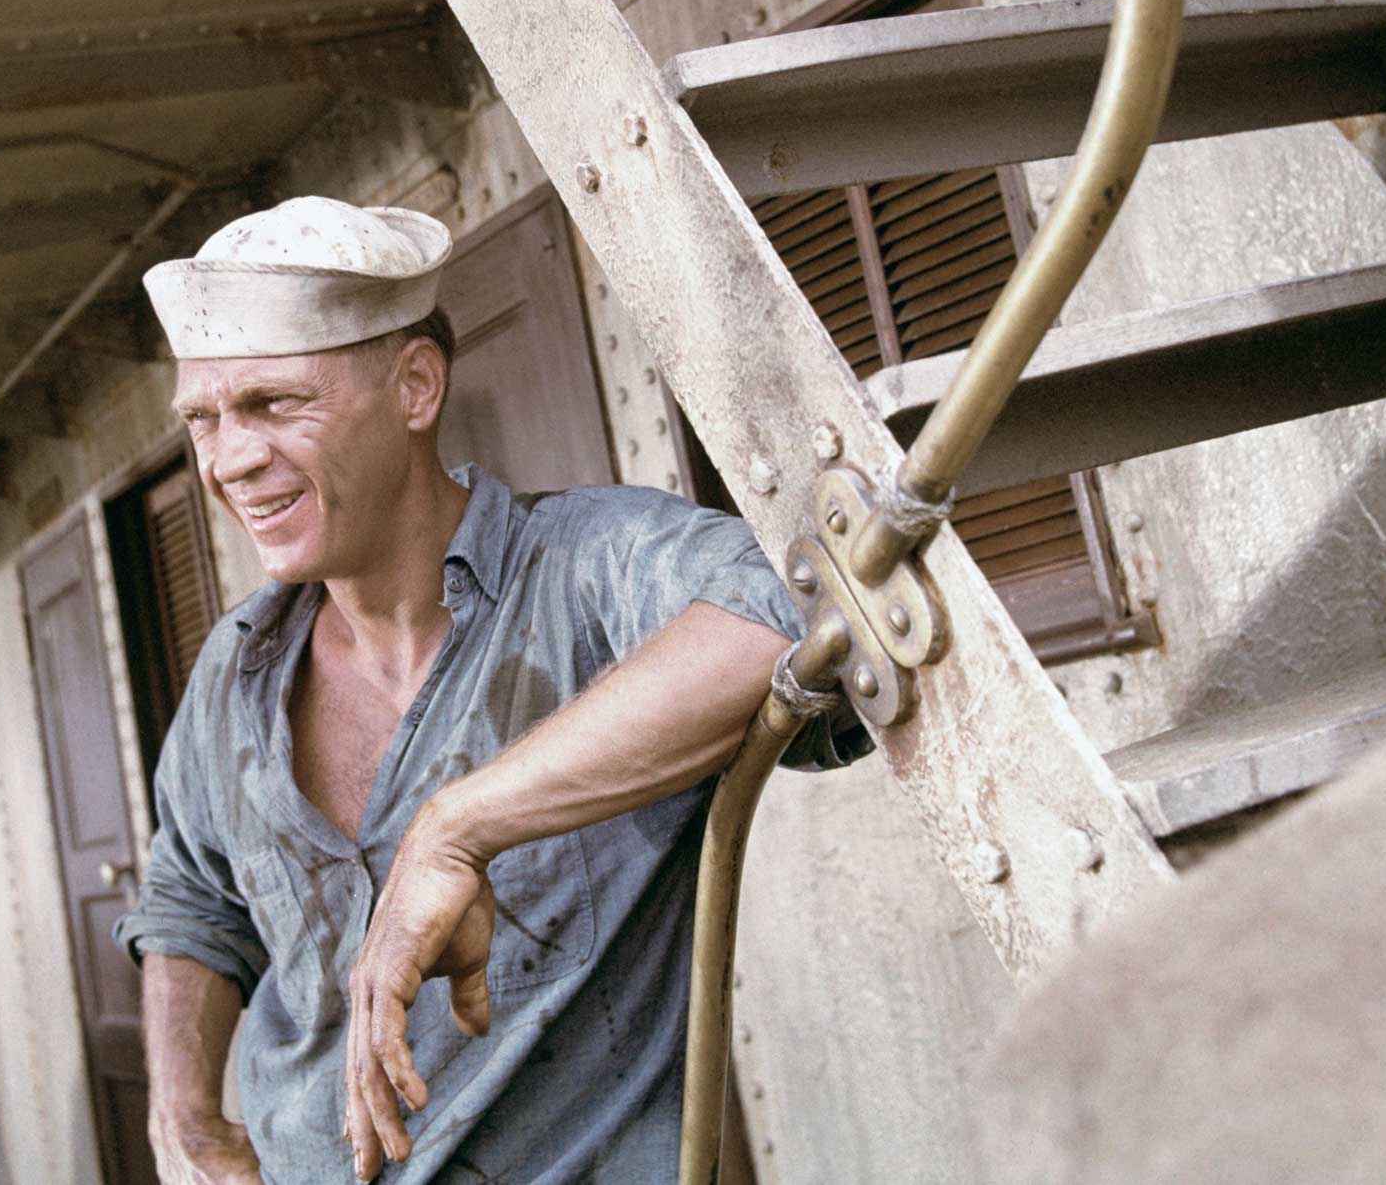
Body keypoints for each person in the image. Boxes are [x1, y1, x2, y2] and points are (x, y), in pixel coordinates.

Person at [114, 196, 865, 1184]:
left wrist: (457, 826)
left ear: (415, 385)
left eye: (271, 404)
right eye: (203, 420)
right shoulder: (233, 671)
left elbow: (801, 615)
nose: (227, 459)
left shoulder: (588, 568)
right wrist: (182, 1120)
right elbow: (190, 901)